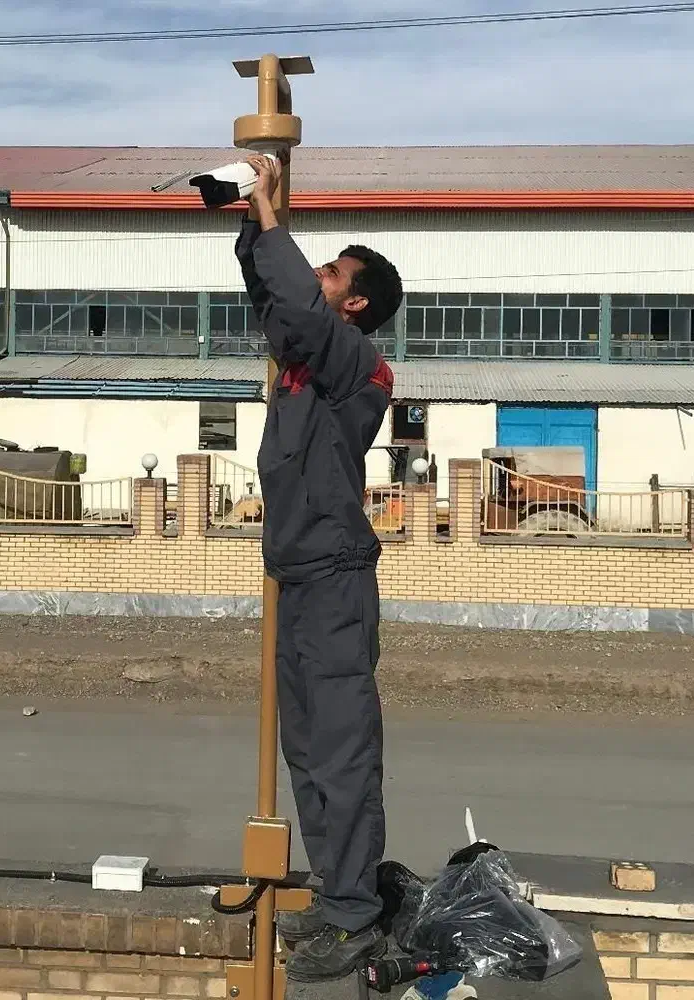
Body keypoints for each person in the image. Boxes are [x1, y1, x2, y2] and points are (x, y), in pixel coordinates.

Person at [235, 153, 404, 983]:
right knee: (305, 750)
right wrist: (248, 218)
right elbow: (278, 304)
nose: (318, 276)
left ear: (356, 301)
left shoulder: (354, 367)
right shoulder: (304, 361)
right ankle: (338, 899)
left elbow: (295, 310)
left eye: (332, 271)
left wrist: (273, 217)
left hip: (335, 578)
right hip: (299, 579)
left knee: (341, 750)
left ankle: (354, 916)